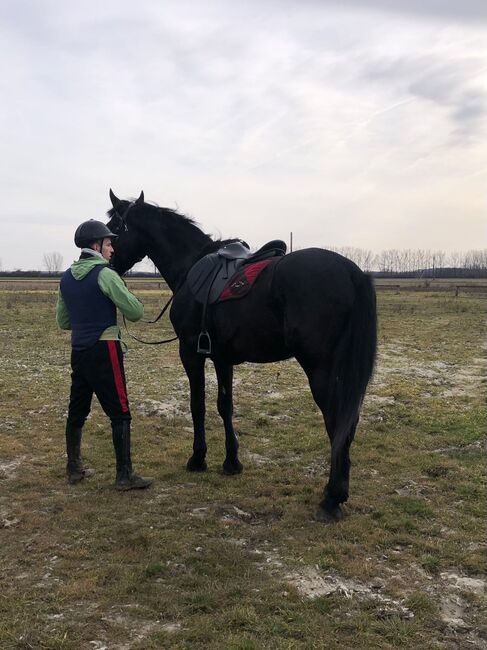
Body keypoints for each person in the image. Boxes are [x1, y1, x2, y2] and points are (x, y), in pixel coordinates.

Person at [56, 219, 153, 491]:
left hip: (79, 352)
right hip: (105, 350)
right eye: (109, 243)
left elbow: (63, 322)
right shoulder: (105, 274)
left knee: (77, 410)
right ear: (96, 246)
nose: (112, 249)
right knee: (120, 412)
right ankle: (124, 475)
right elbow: (135, 312)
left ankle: (73, 468)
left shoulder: (66, 277)